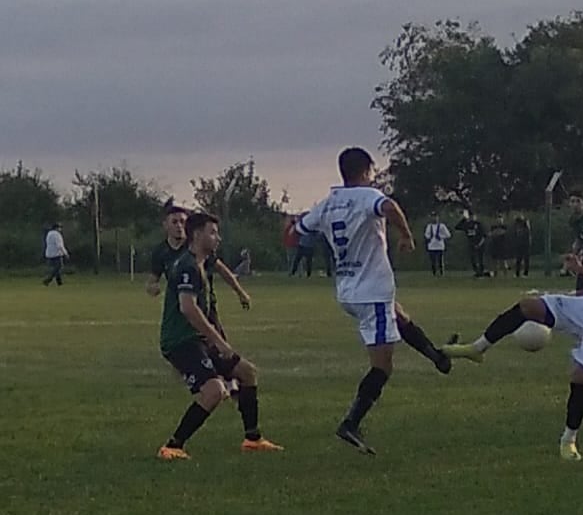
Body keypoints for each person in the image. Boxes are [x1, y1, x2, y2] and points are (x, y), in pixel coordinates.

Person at [442, 213, 583, 462]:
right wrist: (580, 269)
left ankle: (569, 440)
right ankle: (478, 348)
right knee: (528, 306)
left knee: (579, 376)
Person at [298, 147, 454, 454]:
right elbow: (390, 207)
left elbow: (299, 228)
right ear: (367, 170)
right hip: (372, 289)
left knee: (398, 316)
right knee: (382, 366)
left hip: (347, 290)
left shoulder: (328, 203)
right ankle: (351, 423)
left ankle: (436, 356)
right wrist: (407, 235)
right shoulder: (368, 195)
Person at [157, 212, 282, 460]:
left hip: (198, 339)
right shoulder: (187, 266)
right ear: (196, 235)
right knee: (214, 391)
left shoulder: (202, 263)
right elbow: (187, 307)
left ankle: (252, 439)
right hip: (180, 341)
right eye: (212, 232)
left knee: (247, 372)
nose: (218, 238)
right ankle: (172, 446)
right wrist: (219, 342)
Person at [454, 210, 487, 277]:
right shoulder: (467, 224)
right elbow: (457, 227)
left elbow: (484, 236)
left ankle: (481, 272)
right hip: (471, 244)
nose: (472, 217)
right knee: (473, 259)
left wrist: (479, 244)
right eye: (471, 216)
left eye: (473, 216)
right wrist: (463, 219)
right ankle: (477, 271)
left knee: (481, 259)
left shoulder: (479, 224)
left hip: (480, 244)